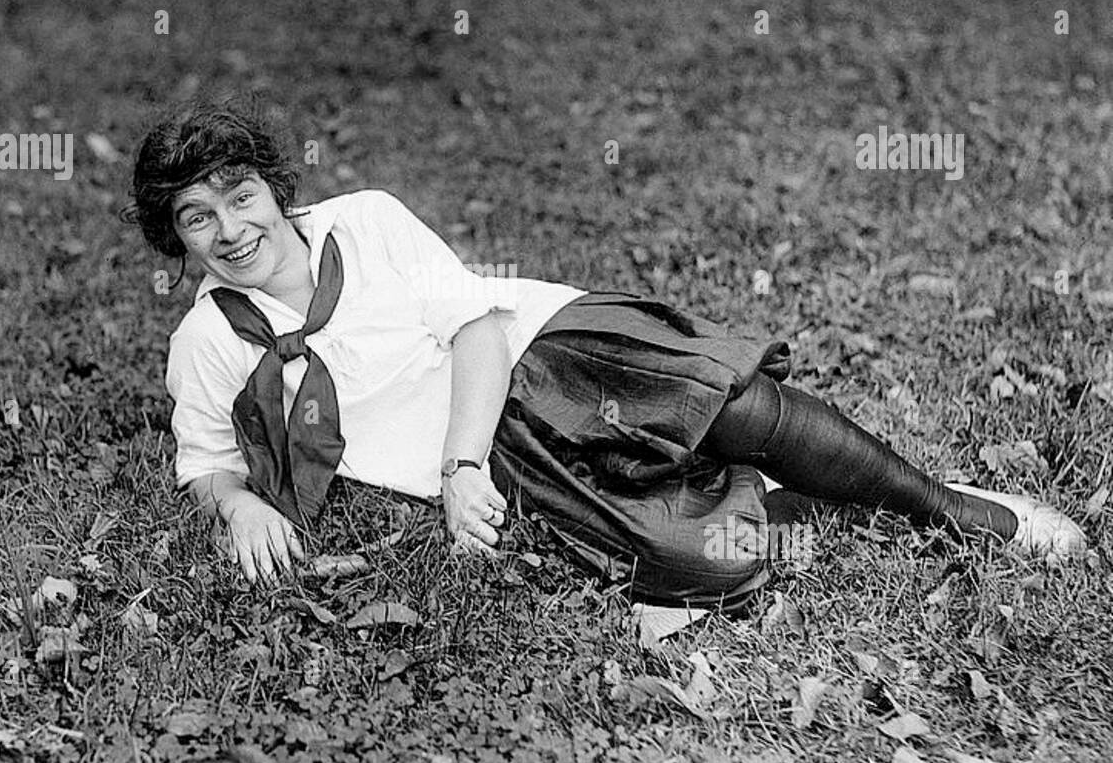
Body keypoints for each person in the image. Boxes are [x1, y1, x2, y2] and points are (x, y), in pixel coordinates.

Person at [123, 100, 1086, 610]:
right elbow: (203, 462)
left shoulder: (364, 223)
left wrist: (457, 468)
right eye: (196, 218)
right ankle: (798, 504)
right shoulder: (207, 339)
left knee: (731, 407)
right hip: (511, 460)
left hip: (537, 358)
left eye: (238, 194)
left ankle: (955, 508)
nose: (229, 228)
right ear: (180, 241)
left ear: (272, 188)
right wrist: (241, 501)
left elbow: (475, 332)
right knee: (695, 558)